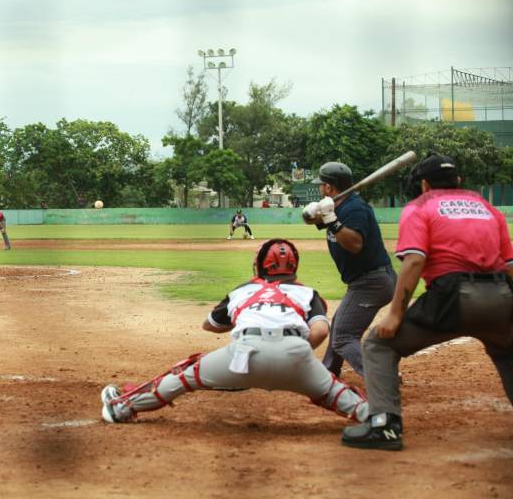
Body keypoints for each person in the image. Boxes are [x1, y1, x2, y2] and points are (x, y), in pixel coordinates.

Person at [341, 152, 513, 451]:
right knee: (508, 351)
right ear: (458, 180)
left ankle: (385, 426)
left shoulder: (420, 207)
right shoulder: (488, 208)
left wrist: (395, 313)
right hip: (500, 295)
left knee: (377, 344)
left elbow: (414, 261)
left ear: (424, 184)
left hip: (451, 297)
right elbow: (509, 265)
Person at [100, 239, 369, 425]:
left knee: (185, 375)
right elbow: (321, 330)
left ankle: (123, 407)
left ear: (260, 265)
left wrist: (242, 316)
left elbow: (210, 325)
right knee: (337, 394)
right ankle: (378, 420)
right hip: (296, 355)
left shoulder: (242, 290)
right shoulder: (308, 293)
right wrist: (292, 357)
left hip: (243, 356)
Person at [302, 162, 396, 379]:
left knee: (343, 336)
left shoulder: (354, 208)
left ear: (328, 187)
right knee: (340, 325)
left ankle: (380, 377)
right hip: (368, 280)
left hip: (371, 282)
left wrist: (332, 221)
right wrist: (312, 213)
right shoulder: (334, 206)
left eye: (321, 185)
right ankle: (329, 369)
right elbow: (311, 220)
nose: (319, 188)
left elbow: (354, 244)